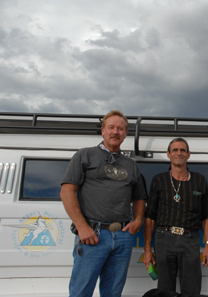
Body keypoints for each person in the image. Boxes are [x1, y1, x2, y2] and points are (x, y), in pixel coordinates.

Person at [60, 110, 147, 297]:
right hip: (93, 235)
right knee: (81, 291)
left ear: (125, 134)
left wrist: (138, 219)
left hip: (122, 237)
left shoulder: (131, 165)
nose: (116, 132)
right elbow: (67, 191)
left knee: (113, 293)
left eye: (120, 129)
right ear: (103, 131)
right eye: (111, 127)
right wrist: (82, 227)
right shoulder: (85, 155)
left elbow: (139, 198)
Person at [143, 138, 208, 295]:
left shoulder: (200, 180)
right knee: (165, 290)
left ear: (188, 154)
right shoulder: (158, 180)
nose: (179, 153)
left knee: (192, 289)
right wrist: (147, 249)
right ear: (168, 154)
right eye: (175, 150)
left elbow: (206, 215)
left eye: (182, 150)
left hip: (190, 239)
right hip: (164, 238)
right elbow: (150, 216)